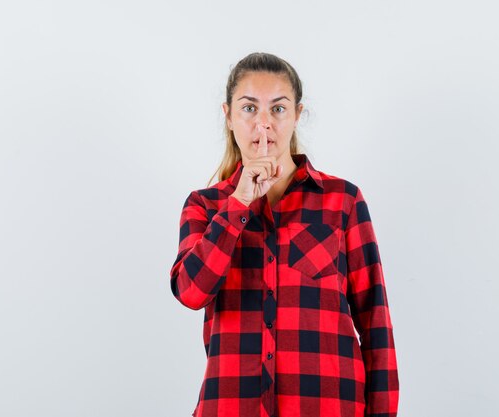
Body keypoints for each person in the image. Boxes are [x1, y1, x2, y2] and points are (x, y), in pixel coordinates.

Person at [169, 52, 399, 417]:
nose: (264, 124)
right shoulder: (205, 206)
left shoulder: (343, 201)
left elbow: (375, 322)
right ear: (228, 116)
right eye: (248, 109)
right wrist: (240, 202)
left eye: (278, 109)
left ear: (297, 115)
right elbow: (191, 292)